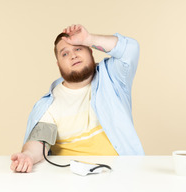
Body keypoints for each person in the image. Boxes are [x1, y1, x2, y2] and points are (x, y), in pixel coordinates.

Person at [10, 24, 144, 173]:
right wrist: (27, 156)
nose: (73, 55)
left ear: (90, 50)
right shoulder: (49, 104)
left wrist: (89, 38)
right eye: (65, 54)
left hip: (122, 176)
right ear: (58, 64)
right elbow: (39, 142)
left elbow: (130, 49)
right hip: (71, 180)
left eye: (78, 48)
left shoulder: (113, 78)